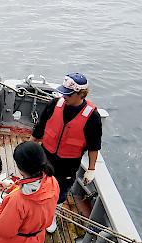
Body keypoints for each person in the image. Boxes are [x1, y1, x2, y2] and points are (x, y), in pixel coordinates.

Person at [30, 72, 102, 233]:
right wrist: (29, 147)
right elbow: (40, 128)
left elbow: (94, 146)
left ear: (81, 94)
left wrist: (91, 169)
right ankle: (34, 210)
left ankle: (52, 217)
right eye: (63, 92)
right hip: (45, 155)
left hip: (68, 164)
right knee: (38, 183)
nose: (64, 96)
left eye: (68, 94)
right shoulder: (54, 104)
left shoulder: (92, 117)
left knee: (60, 192)